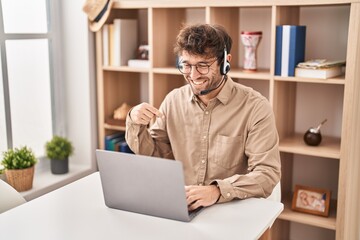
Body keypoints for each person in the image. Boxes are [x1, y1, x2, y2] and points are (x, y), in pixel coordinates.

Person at [125, 24, 281, 211]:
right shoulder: (173, 100)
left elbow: (267, 174)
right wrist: (135, 122)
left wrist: (217, 191)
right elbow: (156, 156)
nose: (193, 75)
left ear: (225, 62)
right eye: (186, 65)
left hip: (230, 208)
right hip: (181, 206)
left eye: (203, 66)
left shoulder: (255, 107)